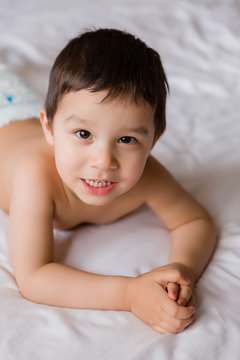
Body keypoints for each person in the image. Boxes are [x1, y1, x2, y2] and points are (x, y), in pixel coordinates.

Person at [0, 28, 216, 335]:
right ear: (48, 128)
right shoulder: (33, 174)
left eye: (126, 139)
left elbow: (194, 220)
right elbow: (34, 276)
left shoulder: (148, 176)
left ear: (153, 140)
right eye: (83, 135)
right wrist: (130, 294)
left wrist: (181, 271)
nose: (103, 161)